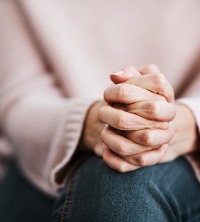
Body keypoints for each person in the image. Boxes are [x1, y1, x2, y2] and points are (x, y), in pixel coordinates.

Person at [0, 1, 200, 221]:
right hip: (42, 149)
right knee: (114, 183)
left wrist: (183, 122)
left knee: (120, 186)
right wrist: (92, 123)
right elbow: (18, 96)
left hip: (190, 156)